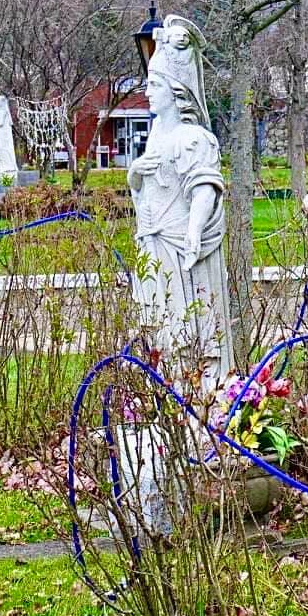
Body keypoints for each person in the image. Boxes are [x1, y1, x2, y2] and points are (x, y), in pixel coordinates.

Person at [128, 20, 231, 391]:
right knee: (163, 332)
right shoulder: (155, 137)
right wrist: (135, 174)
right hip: (154, 248)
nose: (148, 93)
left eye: (155, 86)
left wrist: (192, 231)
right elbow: (146, 193)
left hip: (178, 247)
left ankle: (201, 400)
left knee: (193, 325)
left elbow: (204, 186)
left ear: (176, 91)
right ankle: (171, 398)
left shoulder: (193, 137)